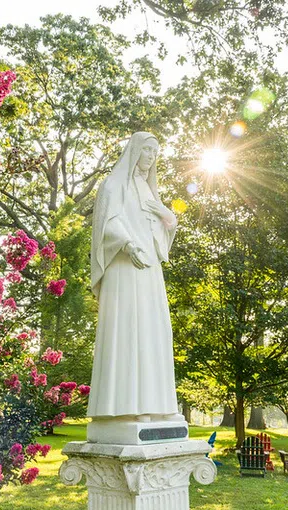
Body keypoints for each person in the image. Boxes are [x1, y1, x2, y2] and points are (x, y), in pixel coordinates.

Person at [87, 131, 180, 422]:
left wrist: (170, 218)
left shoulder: (148, 190)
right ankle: (125, 408)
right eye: (147, 150)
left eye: (156, 152)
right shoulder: (115, 185)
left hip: (149, 271)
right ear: (135, 150)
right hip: (124, 267)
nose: (151, 157)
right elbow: (107, 223)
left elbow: (160, 233)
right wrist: (128, 245)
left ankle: (156, 406)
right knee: (127, 330)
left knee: (153, 332)